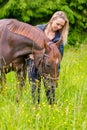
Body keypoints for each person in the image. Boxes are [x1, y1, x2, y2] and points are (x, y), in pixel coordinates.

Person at [28, 11, 69, 103]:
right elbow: (28, 44)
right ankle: (36, 110)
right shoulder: (38, 29)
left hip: (49, 67)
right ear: (52, 20)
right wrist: (30, 54)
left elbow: (58, 59)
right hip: (34, 63)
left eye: (61, 26)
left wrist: (56, 74)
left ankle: (51, 110)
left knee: (50, 91)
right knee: (34, 90)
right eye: (57, 24)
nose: (59, 27)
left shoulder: (59, 39)